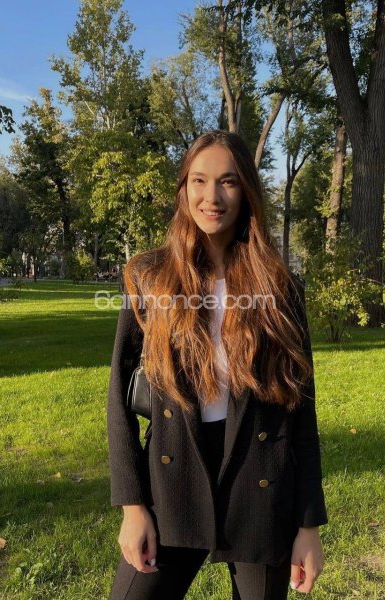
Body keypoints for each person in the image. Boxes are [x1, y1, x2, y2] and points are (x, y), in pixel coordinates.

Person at [106, 130, 328, 599]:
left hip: (260, 486)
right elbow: (118, 400)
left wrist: (308, 525)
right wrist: (132, 504)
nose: (212, 197)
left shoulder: (280, 286)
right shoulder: (149, 277)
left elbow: (301, 410)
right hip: (172, 479)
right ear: (184, 188)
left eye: (228, 181)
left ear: (246, 190)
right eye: (199, 180)